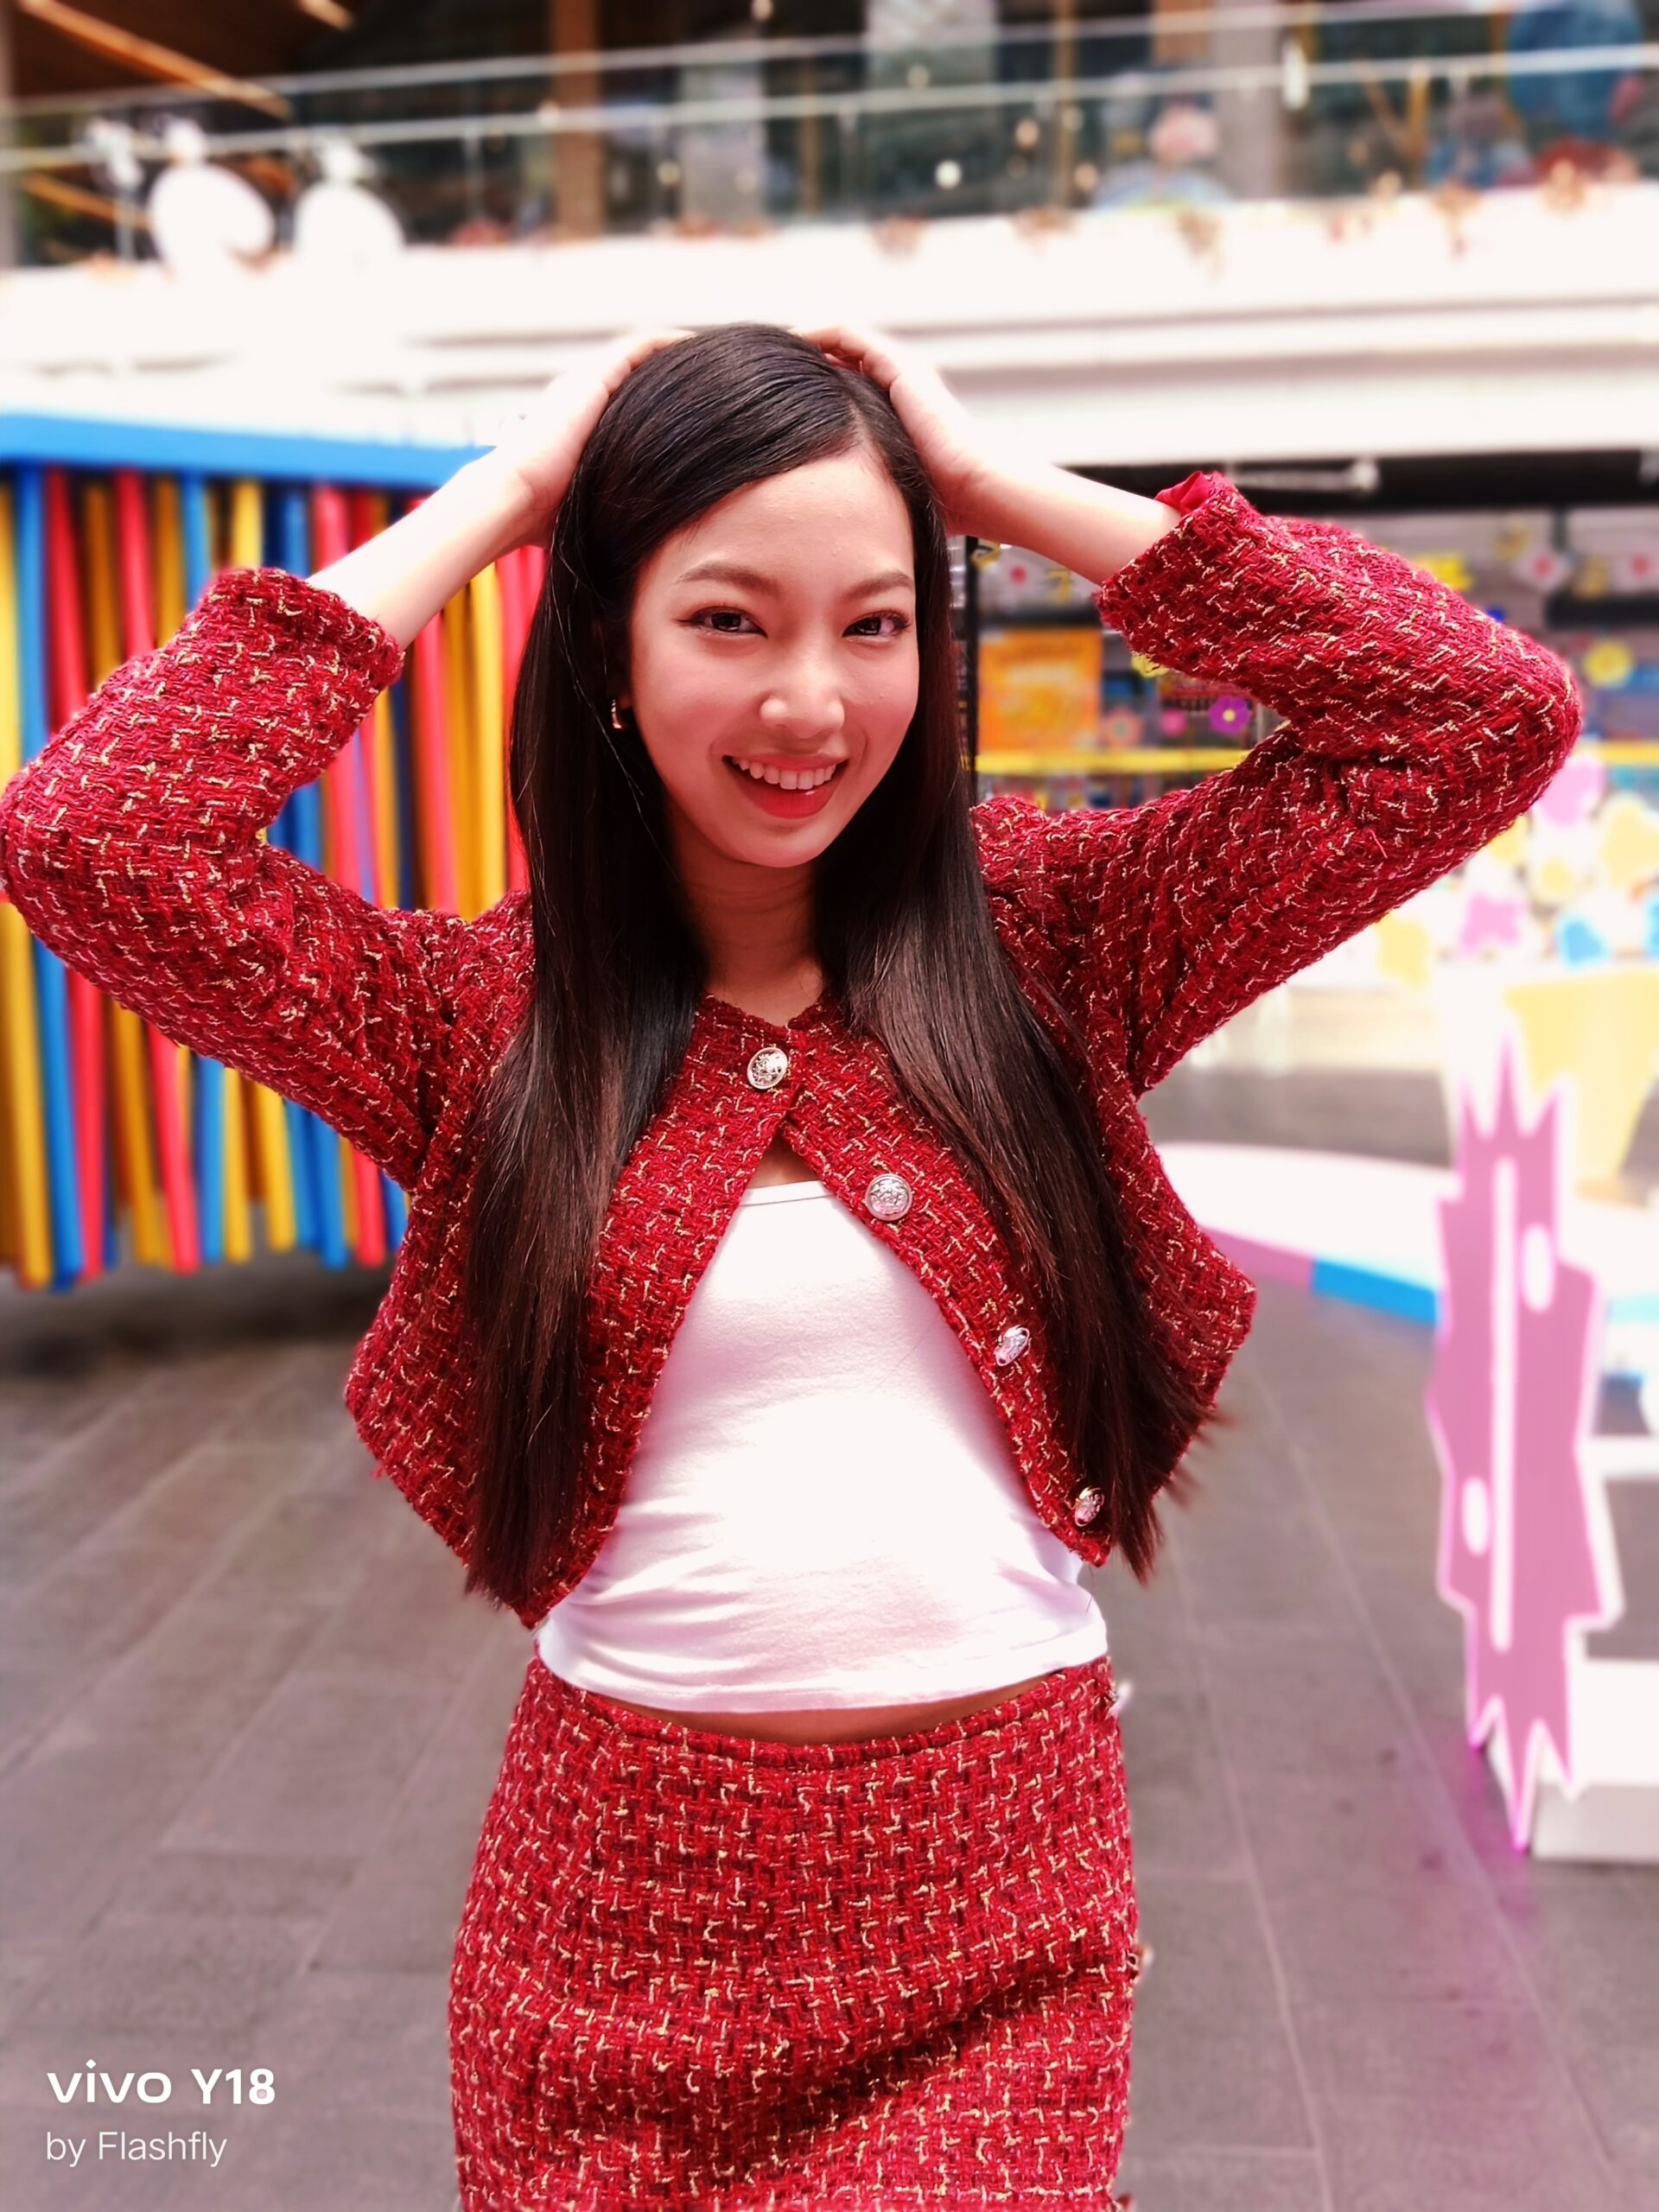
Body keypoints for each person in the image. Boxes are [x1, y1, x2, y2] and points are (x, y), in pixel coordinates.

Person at [0, 321, 1583, 2208]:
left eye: (876, 622)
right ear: (607, 647)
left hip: (999, 1913)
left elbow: (1480, 718)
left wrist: (995, 491)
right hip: (607, 1920)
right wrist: (506, 495)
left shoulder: (1055, 940)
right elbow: (94, 835)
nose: (811, 700)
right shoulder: (481, 1023)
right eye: (729, 621)